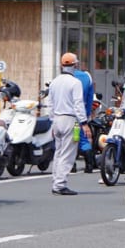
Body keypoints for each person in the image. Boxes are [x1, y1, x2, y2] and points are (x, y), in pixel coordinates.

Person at [49, 52, 92, 196]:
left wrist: (52, 122)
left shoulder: (54, 82)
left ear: (62, 65)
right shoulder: (75, 83)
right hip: (71, 121)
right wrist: (84, 123)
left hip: (57, 119)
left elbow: (50, 104)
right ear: (75, 65)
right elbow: (78, 104)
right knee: (68, 153)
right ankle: (60, 185)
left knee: (59, 152)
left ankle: (56, 181)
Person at [73, 63, 96, 173]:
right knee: (83, 138)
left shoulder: (65, 77)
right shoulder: (87, 77)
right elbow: (90, 98)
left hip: (68, 114)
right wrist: (87, 114)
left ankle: (71, 165)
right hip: (82, 114)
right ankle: (89, 165)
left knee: (72, 138)